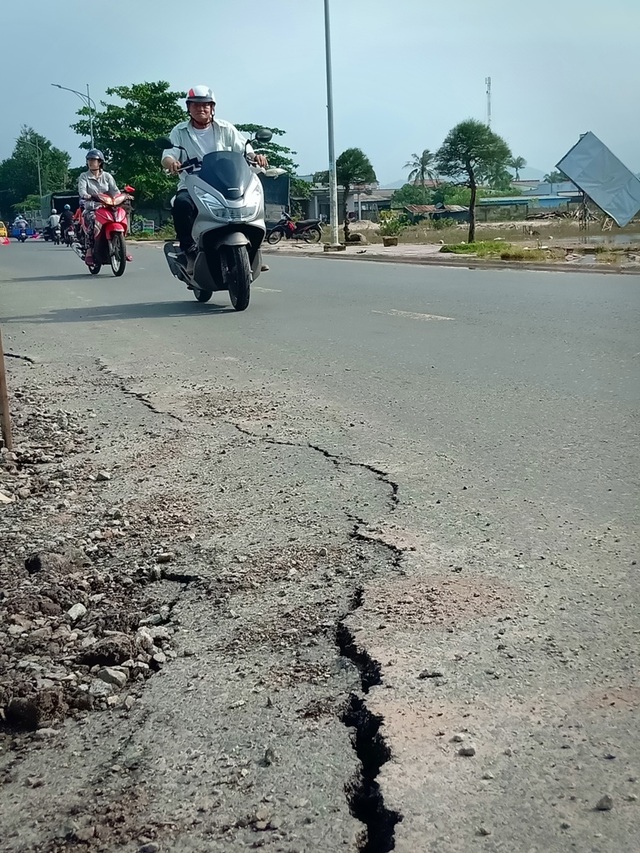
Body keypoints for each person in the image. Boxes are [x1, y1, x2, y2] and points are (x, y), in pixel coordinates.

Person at [161, 85, 268, 274]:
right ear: (188, 108)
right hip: (193, 183)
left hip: (226, 182)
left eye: (205, 105)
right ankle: (189, 252)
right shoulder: (179, 131)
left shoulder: (226, 128)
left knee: (253, 201)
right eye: (195, 105)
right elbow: (168, 155)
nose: (201, 109)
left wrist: (255, 156)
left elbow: (244, 148)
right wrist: (172, 162)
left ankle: (254, 250)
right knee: (181, 204)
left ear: (212, 108)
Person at [77, 149, 120, 265]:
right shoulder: (84, 176)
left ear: (100, 162)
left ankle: (121, 246)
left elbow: (115, 191)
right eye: (89, 160)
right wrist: (86, 195)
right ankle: (90, 250)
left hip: (107, 206)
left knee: (120, 216)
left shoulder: (107, 176)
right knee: (92, 221)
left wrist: (123, 197)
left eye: (93, 160)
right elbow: (82, 191)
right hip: (91, 208)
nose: (91, 162)